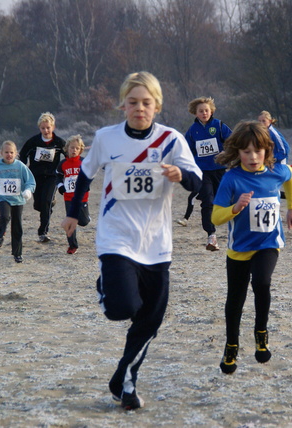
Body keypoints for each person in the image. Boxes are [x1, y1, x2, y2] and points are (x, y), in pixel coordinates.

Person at [62, 71, 202, 411]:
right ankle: (105, 284)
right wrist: (71, 212)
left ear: (157, 106)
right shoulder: (106, 138)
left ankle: (125, 382)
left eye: (147, 103)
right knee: (122, 308)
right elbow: (84, 174)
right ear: (122, 104)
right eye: (133, 102)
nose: (140, 108)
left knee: (150, 320)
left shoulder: (172, 140)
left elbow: (199, 183)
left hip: (156, 244)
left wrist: (181, 174)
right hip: (117, 239)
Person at [211, 121, 292, 374]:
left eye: (258, 151)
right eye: (246, 152)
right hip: (239, 248)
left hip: (268, 242)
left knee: (261, 282)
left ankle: (261, 333)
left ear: (267, 151)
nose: (252, 157)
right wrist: (235, 208)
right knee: (235, 300)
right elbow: (215, 218)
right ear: (237, 152)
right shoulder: (231, 179)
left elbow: (290, 175)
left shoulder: (276, 171)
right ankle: (231, 346)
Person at [184, 97, 232, 251]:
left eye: (206, 110)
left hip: (219, 170)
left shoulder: (219, 125)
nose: (204, 113)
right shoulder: (192, 131)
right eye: (201, 111)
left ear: (211, 111)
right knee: (207, 202)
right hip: (202, 172)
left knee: (227, 200)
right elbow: (186, 150)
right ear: (195, 113)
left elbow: (233, 140)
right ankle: (211, 236)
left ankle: (237, 231)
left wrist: (226, 152)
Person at [19, 112, 66, 243]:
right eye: (43, 128)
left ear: (53, 127)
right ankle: (49, 203)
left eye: (48, 128)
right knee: (39, 205)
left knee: (46, 202)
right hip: (35, 176)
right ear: (39, 128)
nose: (46, 130)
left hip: (52, 177)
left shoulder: (59, 142)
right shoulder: (33, 142)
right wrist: (23, 170)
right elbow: (22, 155)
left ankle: (43, 232)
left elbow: (69, 156)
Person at [0, 141, 36, 263]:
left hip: (18, 200)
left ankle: (17, 253)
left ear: (16, 153)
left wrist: (28, 191)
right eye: (6, 152)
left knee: (17, 226)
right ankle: (1, 234)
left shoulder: (20, 166)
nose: (9, 154)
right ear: (1, 153)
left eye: (11, 152)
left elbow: (31, 181)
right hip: (4, 199)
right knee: (4, 217)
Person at [258, 110, 292, 213]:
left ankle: (286, 204)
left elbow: (285, 149)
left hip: (279, 166)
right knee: (270, 187)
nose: (261, 123)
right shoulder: (264, 133)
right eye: (259, 121)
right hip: (270, 165)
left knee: (271, 187)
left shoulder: (273, 132)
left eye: (264, 121)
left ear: (270, 121)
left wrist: (273, 159)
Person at [56, 134, 90, 254]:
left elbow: (90, 175)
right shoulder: (63, 163)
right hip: (69, 197)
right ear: (67, 148)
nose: (74, 150)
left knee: (84, 222)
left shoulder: (84, 162)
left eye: (77, 148)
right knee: (70, 220)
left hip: (82, 197)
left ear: (80, 150)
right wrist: (60, 186)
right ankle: (72, 245)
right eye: (72, 148)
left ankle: (86, 217)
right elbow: (58, 176)